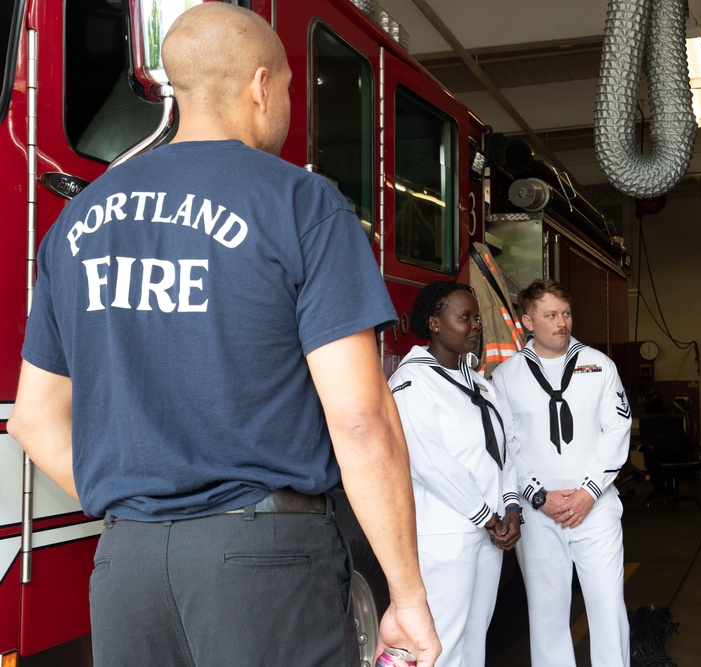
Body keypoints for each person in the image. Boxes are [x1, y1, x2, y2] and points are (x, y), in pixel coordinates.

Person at [7, 4, 440, 666]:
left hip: (127, 566)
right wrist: (407, 596)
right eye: (291, 88)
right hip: (262, 565)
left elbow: (32, 420)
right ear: (260, 86)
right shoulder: (302, 202)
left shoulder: (78, 221)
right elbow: (361, 419)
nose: (288, 104)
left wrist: (146, 496)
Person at [490, 279, 632, 667]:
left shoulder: (599, 366)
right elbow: (506, 446)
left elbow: (617, 430)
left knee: (607, 606)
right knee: (547, 611)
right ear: (528, 321)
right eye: (551, 315)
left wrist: (589, 491)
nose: (562, 322)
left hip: (595, 506)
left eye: (566, 313)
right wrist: (538, 496)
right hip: (539, 512)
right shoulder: (505, 376)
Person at [389, 281, 521, 667]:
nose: (476, 325)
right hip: (446, 534)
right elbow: (429, 462)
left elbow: (503, 452)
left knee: (474, 639)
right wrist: (487, 515)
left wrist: (511, 508)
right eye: (465, 317)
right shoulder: (413, 382)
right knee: (441, 643)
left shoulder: (479, 382)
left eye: (477, 317)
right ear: (433, 323)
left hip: (489, 533)